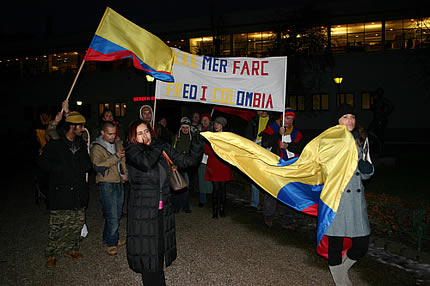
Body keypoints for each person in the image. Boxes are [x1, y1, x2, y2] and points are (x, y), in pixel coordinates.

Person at [125, 119, 203, 286]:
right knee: (148, 254)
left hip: (162, 209)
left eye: (146, 131)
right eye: (139, 133)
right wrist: (158, 146)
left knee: (159, 252)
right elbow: (146, 163)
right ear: (133, 137)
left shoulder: (160, 147)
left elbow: (187, 161)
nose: (144, 135)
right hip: (143, 212)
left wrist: (197, 142)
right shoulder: (132, 151)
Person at [326, 103, 374, 285]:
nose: (350, 121)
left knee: (362, 244)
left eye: (352, 117)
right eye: (345, 117)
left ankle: (342, 270)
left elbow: (367, 169)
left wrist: (367, 169)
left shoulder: (361, 139)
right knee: (335, 243)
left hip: (355, 200)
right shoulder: (329, 140)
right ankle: (340, 281)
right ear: (337, 121)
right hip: (337, 198)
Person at [38, 111, 92, 268]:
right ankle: (52, 254)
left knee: (76, 222)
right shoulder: (56, 144)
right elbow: (43, 162)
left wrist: (82, 166)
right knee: (58, 225)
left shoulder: (80, 144)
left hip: (78, 191)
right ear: (72, 126)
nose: (83, 129)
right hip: (60, 191)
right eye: (80, 126)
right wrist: (61, 169)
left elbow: (87, 164)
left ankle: (72, 248)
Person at [261, 108, 304, 229]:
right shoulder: (273, 128)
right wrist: (277, 134)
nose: (289, 121)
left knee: (289, 192)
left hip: (290, 167)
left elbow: (301, 149)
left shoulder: (296, 133)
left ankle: (288, 219)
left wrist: (288, 146)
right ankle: (268, 217)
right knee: (272, 191)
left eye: (291, 119)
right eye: (287, 118)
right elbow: (265, 143)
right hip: (275, 165)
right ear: (282, 118)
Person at [90, 121, 128, 256]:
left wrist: (125, 172)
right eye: (109, 134)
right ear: (102, 133)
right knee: (112, 215)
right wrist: (116, 156)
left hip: (118, 182)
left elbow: (122, 160)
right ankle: (111, 243)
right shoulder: (96, 148)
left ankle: (109, 238)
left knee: (116, 213)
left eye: (114, 133)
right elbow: (98, 166)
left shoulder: (117, 143)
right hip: (106, 183)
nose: (112, 136)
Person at [244, 110, 274, 210]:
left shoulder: (274, 121)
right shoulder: (253, 120)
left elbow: (275, 136)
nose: (261, 111)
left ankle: (268, 205)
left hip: (268, 149)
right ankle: (254, 203)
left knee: (267, 177)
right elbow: (247, 133)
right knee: (254, 174)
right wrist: (250, 140)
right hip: (255, 147)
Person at [205, 116, 233, 219]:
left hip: (224, 165)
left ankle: (222, 209)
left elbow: (230, 150)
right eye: (215, 123)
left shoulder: (227, 137)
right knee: (216, 189)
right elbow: (207, 150)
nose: (216, 125)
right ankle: (215, 210)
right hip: (214, 165)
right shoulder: (211, 136)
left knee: (223, 189)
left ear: (222, 125)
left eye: (219, 124)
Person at [171, 117, 193, 213]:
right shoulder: (176, 137)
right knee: (177, 185)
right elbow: (172, 150)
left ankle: (185, 206)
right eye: (183, 127)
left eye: (187, 128)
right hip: (178, 165)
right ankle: (176, 206)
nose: (185, 129)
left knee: (186, 186)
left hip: (187, 166)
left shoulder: (192, 138)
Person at [197, 113, 213, 207]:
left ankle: (211, 197)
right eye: (203, 120)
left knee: (211, 179)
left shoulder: (213, 131)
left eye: (206, 120)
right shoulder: (198, 131)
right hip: (201, 158)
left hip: (211, 157)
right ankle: (202, 199)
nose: (204, 122)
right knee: (202, 178)